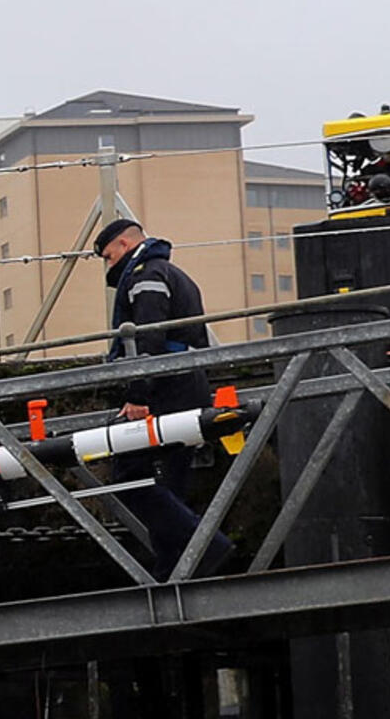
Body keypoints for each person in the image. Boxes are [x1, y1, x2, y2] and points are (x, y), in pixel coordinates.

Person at [93, 218, 234, 580]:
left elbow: (147, 338)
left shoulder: (146, 276)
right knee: (169, 483)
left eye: (109, 257)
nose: (109, 266)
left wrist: (138, 394)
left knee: (131, 477)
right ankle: (177, 567)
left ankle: (204, 547)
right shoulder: (169, 272)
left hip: (167, 389)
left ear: (124, 245)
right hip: (187, 384)